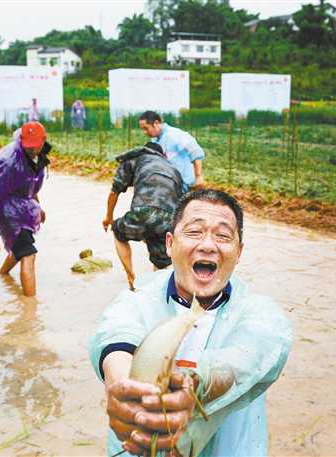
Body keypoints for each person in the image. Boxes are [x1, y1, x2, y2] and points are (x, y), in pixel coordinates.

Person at [89, 189, 293, 457]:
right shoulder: (136, 299)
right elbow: (115, 336)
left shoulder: (260, 313)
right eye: (195, 232)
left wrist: (197, 385)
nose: (208, 245)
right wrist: (123, 388)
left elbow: (248, 358)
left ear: (239, 252)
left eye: (223, 235)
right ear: (170, 243)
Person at [0, 121, 51, 297]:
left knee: (20, 246)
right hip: (6, 212)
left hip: (24, 208)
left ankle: (3, 275)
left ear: (43, 141)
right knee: (28, 253)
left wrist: (38, 206)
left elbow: (30, 184)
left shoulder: (39, 155)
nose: (32, 150)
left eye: (36, 147)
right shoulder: (6, 161)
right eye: (29, 147)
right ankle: (29, 309)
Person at [102, 142, 182, 290]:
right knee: (160, 263)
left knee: (118, 231)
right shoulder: (173, 169)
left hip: (142, 212)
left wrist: (109, 217)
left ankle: (131, 276)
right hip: (169, 219)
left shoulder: (136, 159)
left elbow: (115, 191)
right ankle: (159, 291)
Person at [139, 110, 205, 192]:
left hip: (185, 185)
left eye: (146, 128)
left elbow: (195, 151)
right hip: (170, 185)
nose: (145, 132)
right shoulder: (155, 140)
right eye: (143, 129)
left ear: (156, 123)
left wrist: (198, 176)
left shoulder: (175, 135)